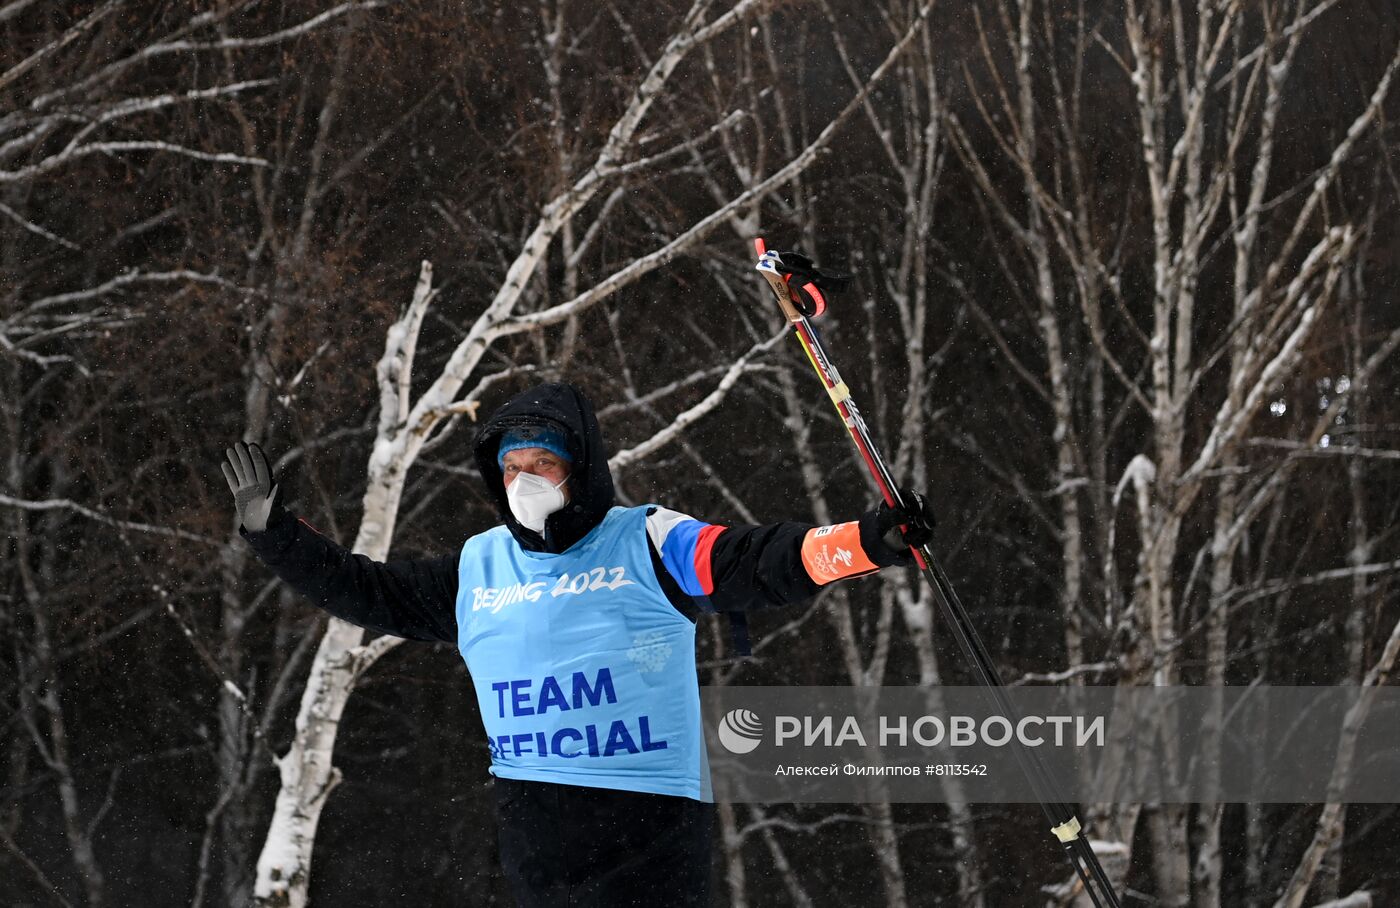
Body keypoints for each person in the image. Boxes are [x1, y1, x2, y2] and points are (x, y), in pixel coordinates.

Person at [221, 381, 935, 907]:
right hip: (537, 840)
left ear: (581, 467)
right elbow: (364, 592)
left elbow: (760, 561)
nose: (525, 481)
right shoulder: (478, 568)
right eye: (511, 468)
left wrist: (869, 542)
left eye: (544, 464)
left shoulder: (648, 539)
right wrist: (270, 532)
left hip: (647, 835)